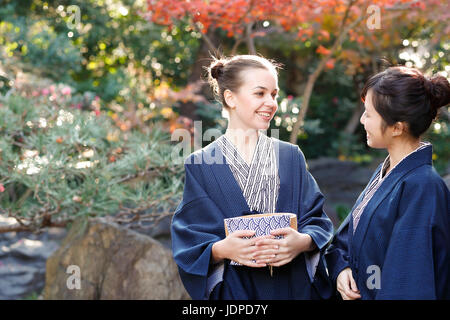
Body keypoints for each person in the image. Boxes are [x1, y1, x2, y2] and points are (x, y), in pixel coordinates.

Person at [171, 54, 334, 300]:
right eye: (260, 93)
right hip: (236, 292)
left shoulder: (290, 156)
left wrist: (301, 242)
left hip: (293, 287)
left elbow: (317, 219)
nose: (270, 102)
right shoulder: (200, 164)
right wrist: (221, 249)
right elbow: (189, 238)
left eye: (274, 94)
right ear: (230, 98)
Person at [325, 66, 450, 300]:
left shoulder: (423, 187)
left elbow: (409, 284)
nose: (362, 120)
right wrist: (342, 269)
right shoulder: (388, 172)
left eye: (369, 114)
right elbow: (347, 240)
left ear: (397, 127)